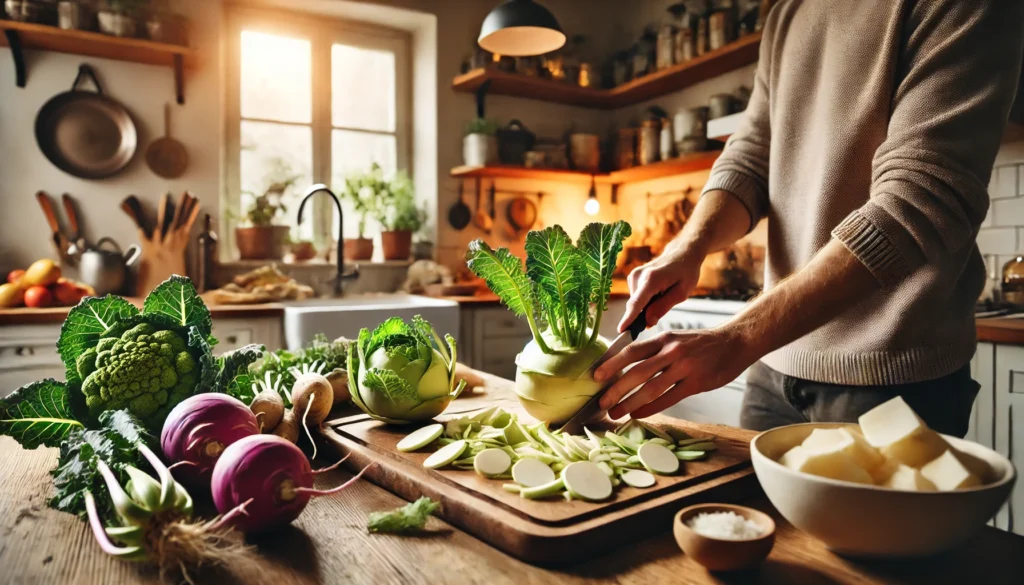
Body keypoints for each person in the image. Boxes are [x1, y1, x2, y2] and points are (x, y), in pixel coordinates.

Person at [593, 0, 1024, 437]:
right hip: (772, 368)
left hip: (890, 380)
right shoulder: (787, 12)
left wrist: (739, 337)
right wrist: (687, 248)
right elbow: (750, 159)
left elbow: (917, 201)